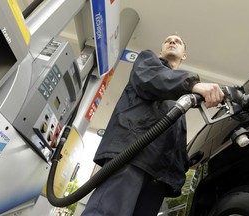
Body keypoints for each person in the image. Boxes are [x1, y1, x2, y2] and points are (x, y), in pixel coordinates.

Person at [81, 33, 224, 216]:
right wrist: (194, 85)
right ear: (161, 50)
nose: (172, 42)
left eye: (178, 41)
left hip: (158, 177)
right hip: (132, 157)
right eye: (168, 40)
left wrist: (180, 169)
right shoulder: (148, 62)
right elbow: (154, 80)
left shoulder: (180, 98)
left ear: (184, 56)